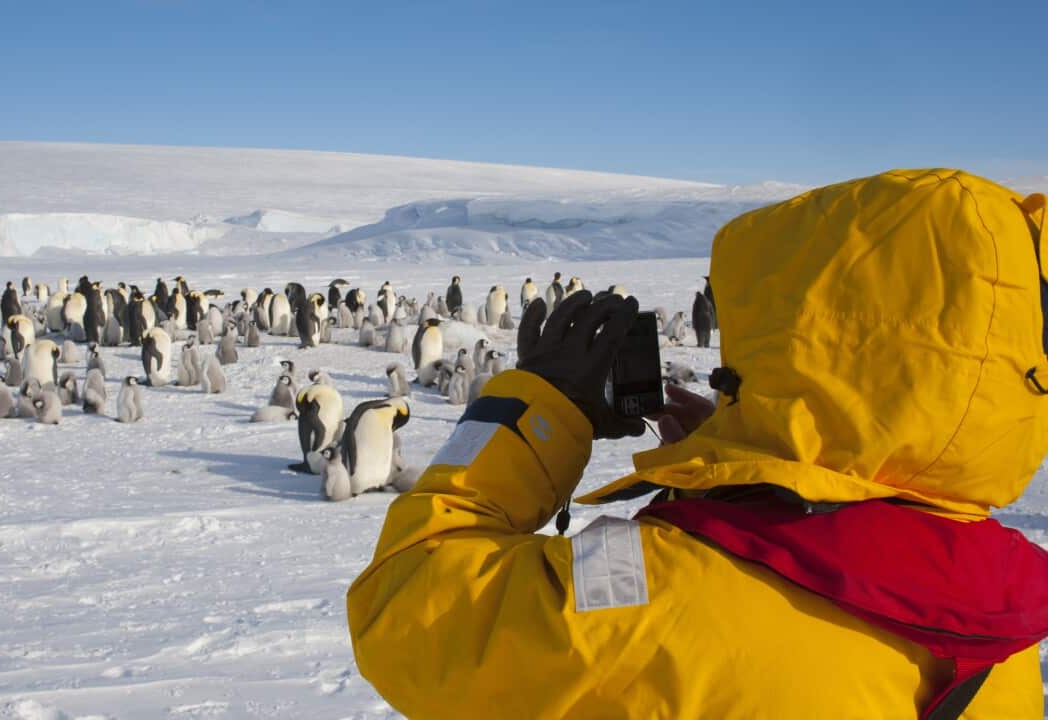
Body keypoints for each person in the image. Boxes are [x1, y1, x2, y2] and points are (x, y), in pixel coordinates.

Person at [347, 170, 1048, 719]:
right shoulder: (997, 617)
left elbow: (408, 610)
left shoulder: (658, 594)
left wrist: (533, 408)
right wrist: (742, 466)